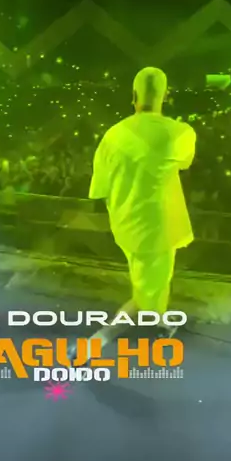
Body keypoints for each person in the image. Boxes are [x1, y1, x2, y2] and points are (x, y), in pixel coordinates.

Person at [70, 66, 196, 359]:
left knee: (153, 281)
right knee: (145, 294)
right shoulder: (181, 133)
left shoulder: (112, 135)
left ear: (133, 96)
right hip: (157, 230)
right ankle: (94, 344)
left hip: (125, 226)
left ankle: (159, 322)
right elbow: (185, 162)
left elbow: (99, 189)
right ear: (166, 95)